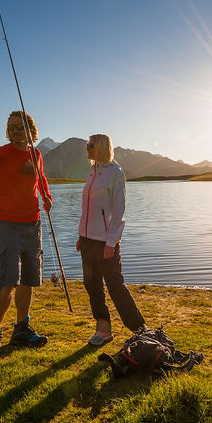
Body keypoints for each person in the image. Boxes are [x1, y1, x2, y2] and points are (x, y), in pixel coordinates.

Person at [0, 101, 53, 366]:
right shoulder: (2, 153)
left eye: (22, 127)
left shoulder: (37, 155)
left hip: (34, 223)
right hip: (7, 224)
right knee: (8, 280)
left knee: (29, 280)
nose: (17, 131)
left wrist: (47, 197)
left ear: (31, 130)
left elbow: (41, 179)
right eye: (12, 128)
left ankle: (21, 330)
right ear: (7, 131)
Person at [76, 134, 145, 347]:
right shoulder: (93, 172)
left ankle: (140, 330)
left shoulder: (115, 173)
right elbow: (87, 209)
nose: (87, 148)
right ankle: (103, 330)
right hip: (87, 240)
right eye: (87, 145)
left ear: (102, 147)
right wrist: (81, 236)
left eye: (91, 145)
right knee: (92, 285)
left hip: (105, 242)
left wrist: (111, 241)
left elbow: (118, 210)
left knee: (115, 285)